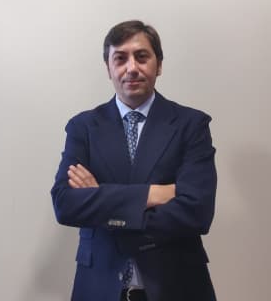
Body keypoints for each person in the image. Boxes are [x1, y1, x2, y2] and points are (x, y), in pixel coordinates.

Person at [51, 20, 217, 301]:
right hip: (99, 288)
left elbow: (197, 211)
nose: (131, 68)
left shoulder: (191, 125)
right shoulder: (83, 127)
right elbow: (65, 204)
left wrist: (101, 202)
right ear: (108, 68)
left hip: (177, 286)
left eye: (141, 57)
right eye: (120, 59)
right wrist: (152, 194)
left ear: (159, 64)